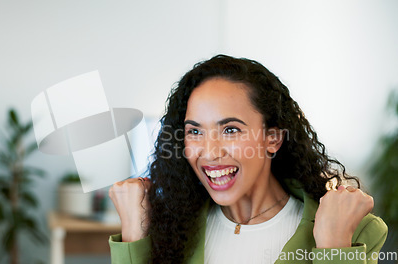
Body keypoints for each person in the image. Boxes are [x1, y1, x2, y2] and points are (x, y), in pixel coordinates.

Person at [108, 55, 387, 264]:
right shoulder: (170, 228)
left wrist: (333, 247)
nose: (210, 152)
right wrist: (134, 232)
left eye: (230, 130)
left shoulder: (355, 232)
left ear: (273, 139)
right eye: (195, 131)